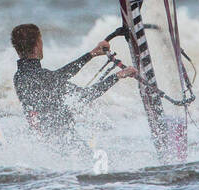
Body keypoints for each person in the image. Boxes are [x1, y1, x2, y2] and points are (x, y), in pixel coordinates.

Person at [10, 23, 137, 152]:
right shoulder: (44, 78)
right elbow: (86, 95)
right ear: (37, 46)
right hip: (66, 145)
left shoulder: (19, 77)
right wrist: (119, 75)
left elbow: (61, 75)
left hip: (44, 145)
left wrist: (92, 54)